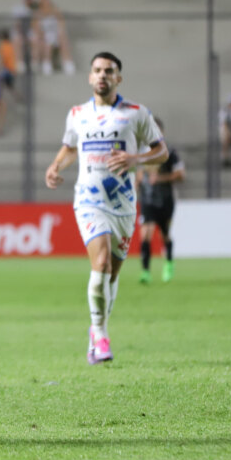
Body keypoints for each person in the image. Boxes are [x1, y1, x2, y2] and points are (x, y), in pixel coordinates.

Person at [45, 53, 168, 364]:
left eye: (109, 71)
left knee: (111, 274)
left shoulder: (137, 114)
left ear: (118, 78)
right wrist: (56, 165)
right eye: (97, 70)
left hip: (124, 204)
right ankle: (100, 335)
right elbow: (71, 147)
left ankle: (97, 330)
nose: (102, 76)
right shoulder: (77, 114)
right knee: (99, 263)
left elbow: (162, 152)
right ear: (90, 77)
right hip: (88, 199)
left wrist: (135, 160)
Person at [136, 118, 184, 285]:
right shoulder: (142, 152)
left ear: (162, 132)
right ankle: (145, 271)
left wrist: (161, 178)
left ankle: (169, 263)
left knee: (164, 236)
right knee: (146, 234)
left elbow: (180, 175)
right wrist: (136, 186)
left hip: (165, 200)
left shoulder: (169, 152)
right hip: (148, 200)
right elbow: (138, 173)